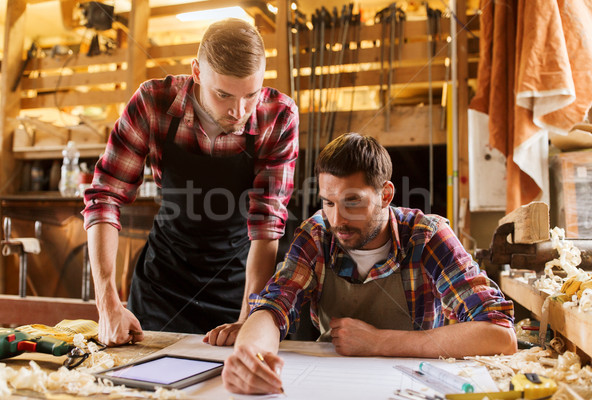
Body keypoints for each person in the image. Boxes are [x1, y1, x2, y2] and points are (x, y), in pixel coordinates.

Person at [221, 133, 517, 394]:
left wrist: (379, 342)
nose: (337, 220)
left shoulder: (426, 236)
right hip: (332, 382)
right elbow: (273, 308)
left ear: (385, 195)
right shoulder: (316, 235)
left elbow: (500, 334)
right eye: (329, 202)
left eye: (352, 201)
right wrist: (250, 356)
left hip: (414, 386)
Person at [82, 18, 299, 346]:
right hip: (161, 287)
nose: (237, 112)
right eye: (223, 94)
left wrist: (250, 317)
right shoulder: (153, 102)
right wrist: (107, 302)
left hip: (238, 287)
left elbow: (267, 223)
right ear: (197, 73)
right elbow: (105, 196)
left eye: (250, 95)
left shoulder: (278, 116)